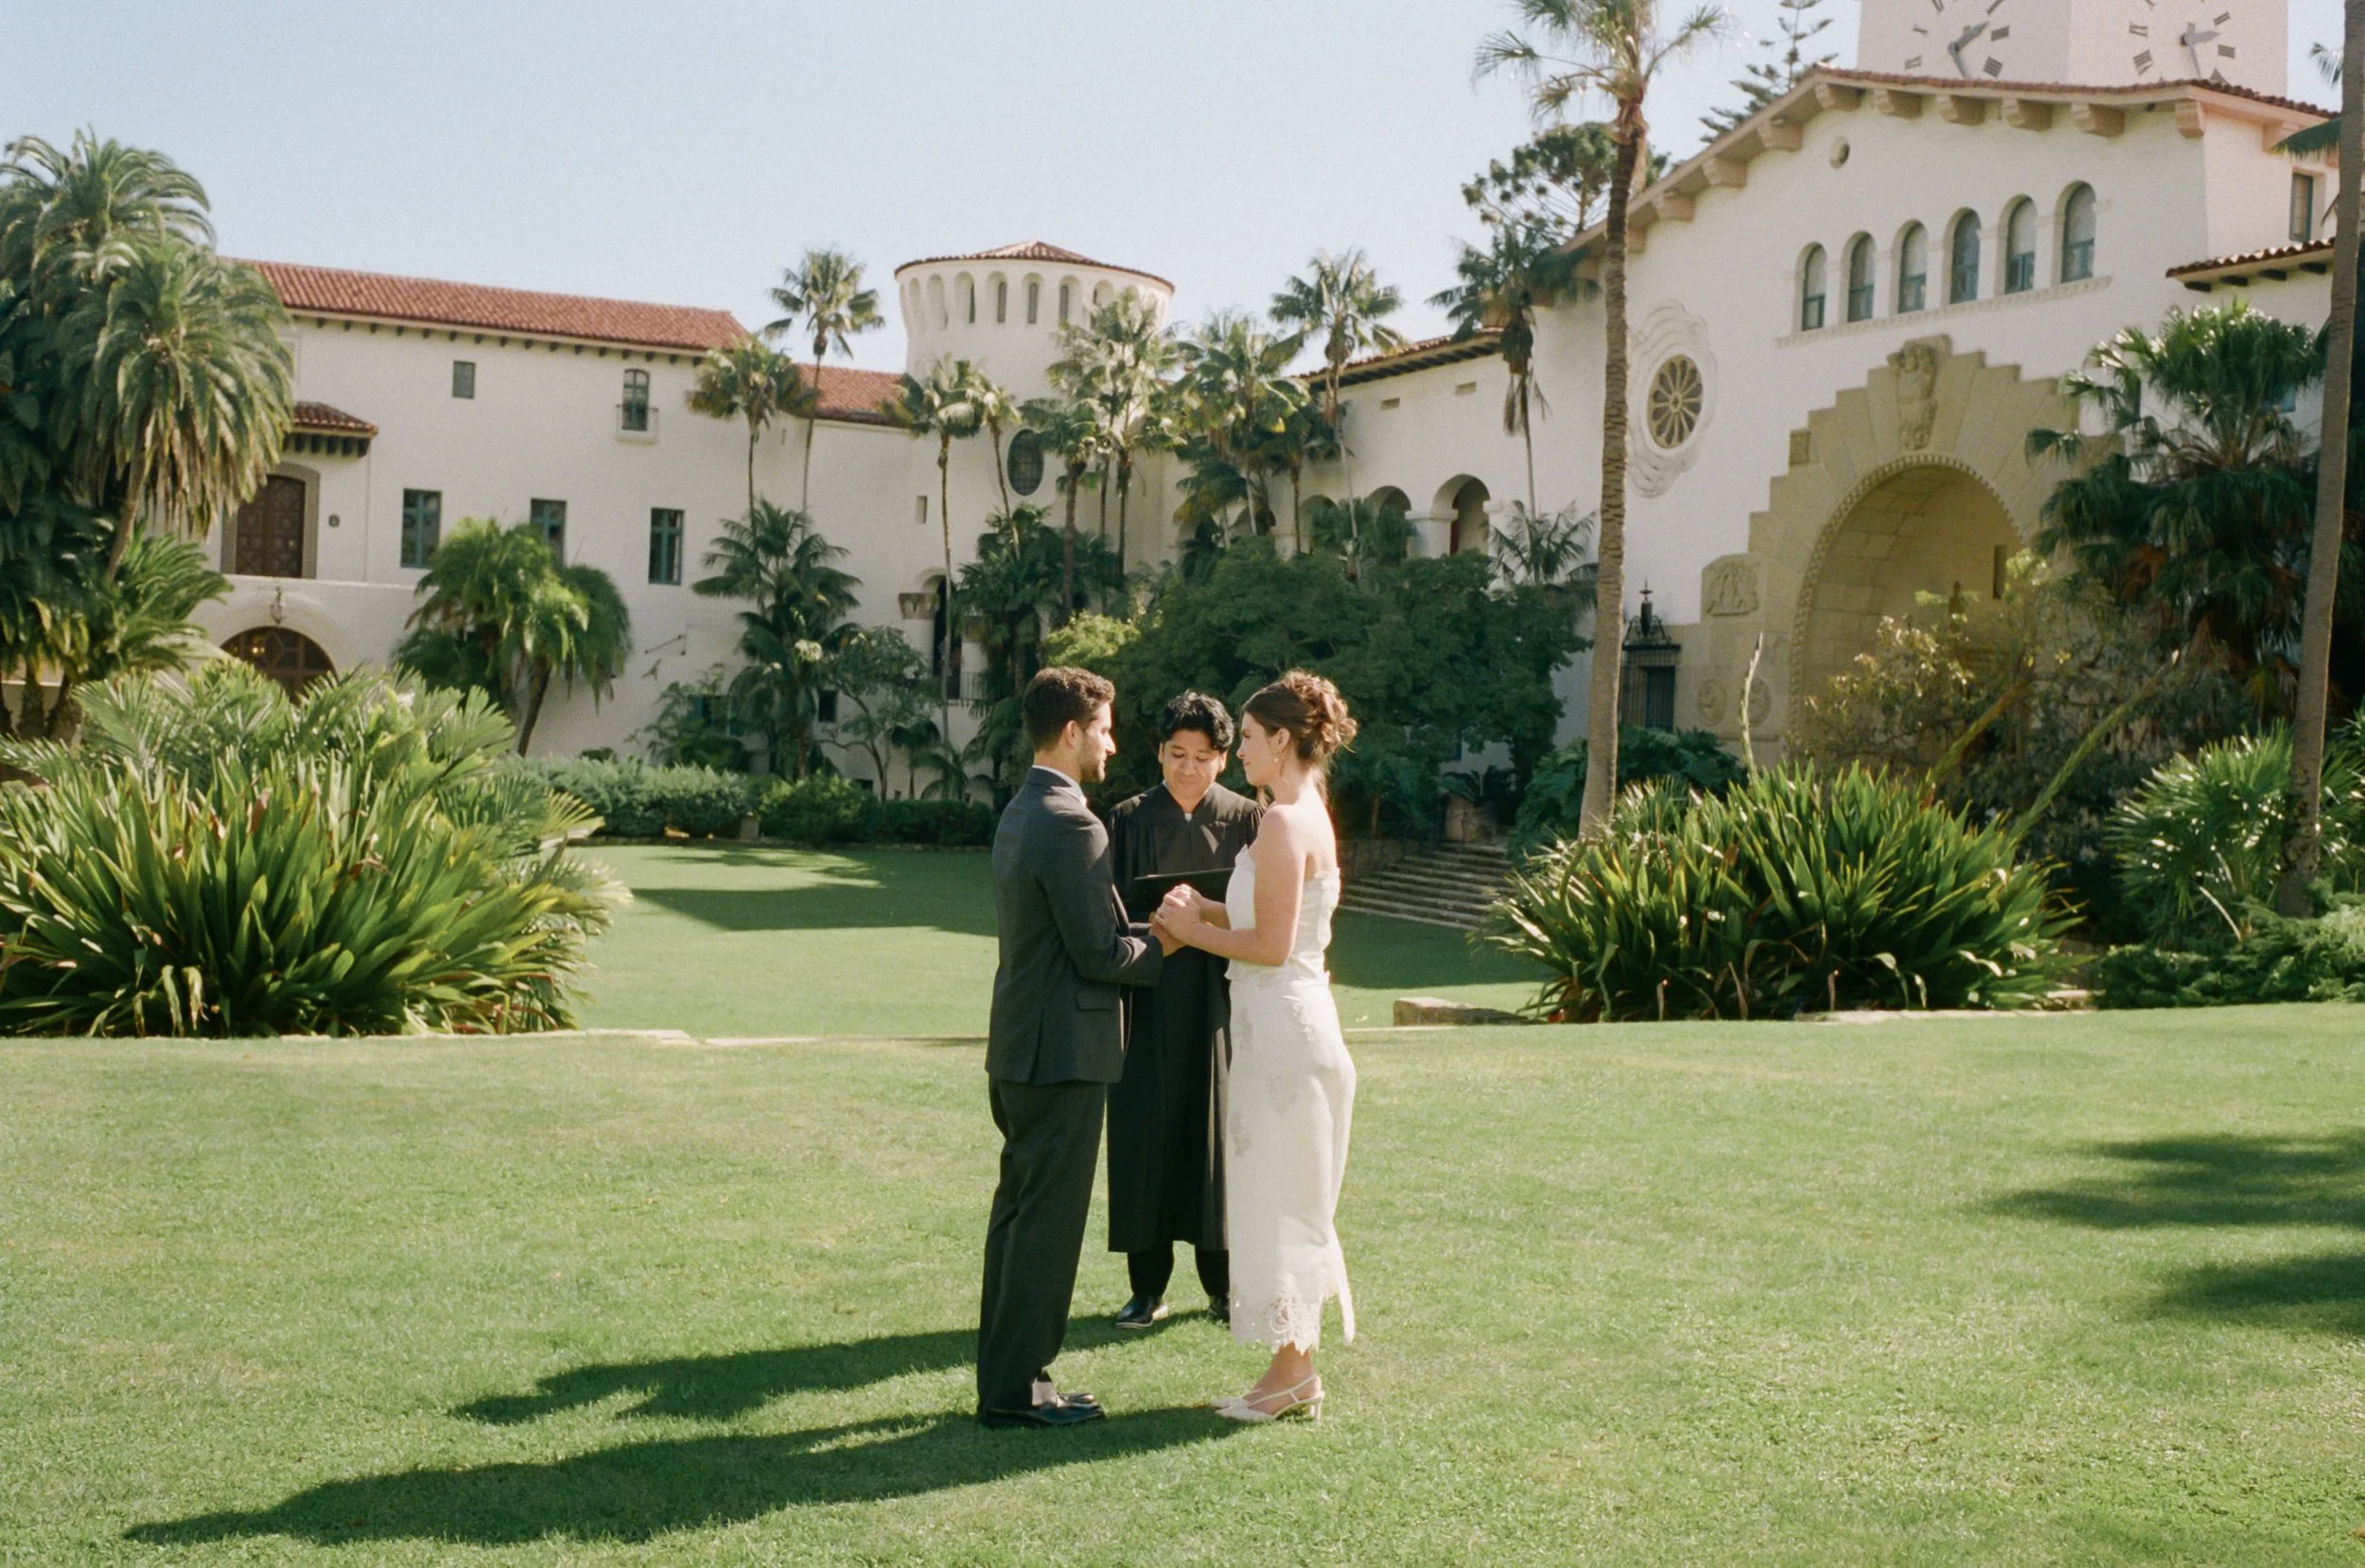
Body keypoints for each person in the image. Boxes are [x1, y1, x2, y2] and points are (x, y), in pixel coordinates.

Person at [1152, 671, 1358, 1424]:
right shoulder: (1308, 813)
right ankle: (1291, 1368)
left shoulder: (1280, 822)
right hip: (1286, 1024)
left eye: (1245, 739)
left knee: (1282, 1197)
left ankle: (1292, 1372)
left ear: (1281, 739)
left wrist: (1189, 932)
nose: (1237, 753)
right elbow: (1270, 914)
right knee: (1282, 1193)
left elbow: (1270, 943)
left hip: (1282, 1028)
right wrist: (1202, 903)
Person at [976, 667, 1179, 1430]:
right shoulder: (1072, 821)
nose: (1112, 741)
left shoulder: (1025, 809)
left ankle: (1005, 1383)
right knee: (1046, 1230)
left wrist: (1140, 933)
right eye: (1104, 728)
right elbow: (1098, 955)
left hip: (1023, 1049)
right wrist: (1166, 941)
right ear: (1072, 732)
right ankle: (1021, 1392)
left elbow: (1070, 938)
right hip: (1061, 1055)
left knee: (1018, 1221)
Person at [1105, 692, 1263, 1331]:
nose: (1189, 769)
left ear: (1223, 758)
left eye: (1202, 757)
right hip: (1146, 998)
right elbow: (1108, 914)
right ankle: (1147, 1287)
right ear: (1160, 752)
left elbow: (1263, 914)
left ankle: (1224, 1286)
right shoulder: (1126, 819)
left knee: (1217, 1137)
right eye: (1177, 755)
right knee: (1145, 1136)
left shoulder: (1252, 822)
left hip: (1221, 1003)